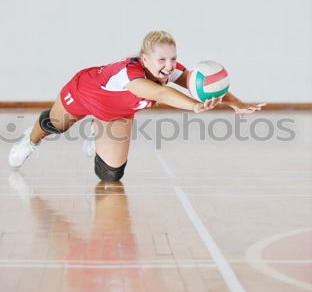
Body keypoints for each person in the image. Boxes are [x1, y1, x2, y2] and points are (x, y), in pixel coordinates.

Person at [8, 31, 265, 181]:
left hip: (114, 113)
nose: (169, 65)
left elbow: (205, 84)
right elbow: (160, 93)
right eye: (162, 59)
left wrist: (238, 104)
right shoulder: (130, 73)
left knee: (110, 174)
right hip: (84, 92)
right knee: (55, 125)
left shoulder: (170, 71)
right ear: (145, 58)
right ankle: (28, 141)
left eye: (173, 58)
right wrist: (195, 107)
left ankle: (98, 132)